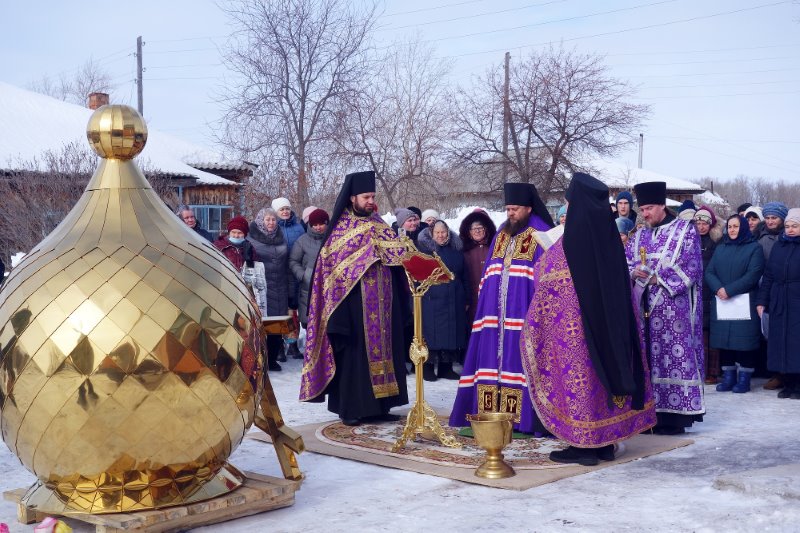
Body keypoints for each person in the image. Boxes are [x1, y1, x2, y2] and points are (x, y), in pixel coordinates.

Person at [521, 172, 655, 466]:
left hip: (579, 331)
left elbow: (546, 277)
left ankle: (583, 447)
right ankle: (604, 443)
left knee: (581, 380)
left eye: (569, 203)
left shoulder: (569, 243)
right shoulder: (610, 238)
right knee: (603, 379)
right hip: (612, 328)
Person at [300, 171, 409, 426]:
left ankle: (381, 406)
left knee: (387, 353)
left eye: (372, 197)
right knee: (354, 357)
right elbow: (330, 272)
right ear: (352, 198)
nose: (370, 201)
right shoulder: (341, 230)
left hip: (385, 305)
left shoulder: (380, 224)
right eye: (365, 197)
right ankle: (350, 408)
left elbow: (397, 257)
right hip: (352, 307)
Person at [449, 182, 555, 434]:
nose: (510, 213)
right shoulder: (502, 233)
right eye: (508, 209)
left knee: (520, 362)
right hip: (494, 315)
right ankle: (489, 412)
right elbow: (489, 273)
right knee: (491, 361)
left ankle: (522, 419)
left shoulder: (542, 234)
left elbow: (548, 279)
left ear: (529, 208)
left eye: (515, 209)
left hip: (524, 313)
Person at [626, 181, 705, 435]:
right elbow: (626, 261)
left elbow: (691, 266)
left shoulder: (685, 231)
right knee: (646, 359)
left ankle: (672, 418)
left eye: (649, 208)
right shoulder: (639, 235)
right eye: (642, 209)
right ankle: (646, 415)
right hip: (643, 310)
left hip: (674, 313)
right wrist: (633, 272)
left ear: (662, 205)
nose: (645, 214)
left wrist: (656, 279)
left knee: (673, 358)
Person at [705, 215, 765, 393]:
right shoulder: (721, 248)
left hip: (744, 301)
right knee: (724, 340)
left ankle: (744, 378)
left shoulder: (754, 248)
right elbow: (709, 272)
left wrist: (729, 290)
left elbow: (753, 274)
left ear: (743, 227)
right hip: (723, 301)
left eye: (736, 226)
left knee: (744, 341)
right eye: (729, 226)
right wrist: (718, 289)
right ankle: (728, 377)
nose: (732, 230)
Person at [416, 220, 468, 382]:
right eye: (437, 232)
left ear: (448, 232)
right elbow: (416, 277)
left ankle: (446, 367)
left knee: (450, 333)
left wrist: (466, 297)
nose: (440, 235)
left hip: (454, 297)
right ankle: (427, 367)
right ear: (431, 234)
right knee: (430, 334)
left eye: (443, 232)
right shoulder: (424, 251)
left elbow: (464, 275)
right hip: (431, 298)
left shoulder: (456, 250)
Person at [757, 208, 800, 398]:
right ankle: (788, 383)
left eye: (795, 226)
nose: (790, 229)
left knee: (796, 343)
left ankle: (798, 385)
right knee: (780, 342)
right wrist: (762, 301)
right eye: (788, 226)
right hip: (779, 299)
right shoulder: (779, 246)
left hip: (797, 300)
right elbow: (768, 275)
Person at [248, 207, 293, 372]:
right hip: (261, 288)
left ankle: (272, 360)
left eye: (273, 219)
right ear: (261, 220)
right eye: (267, 219)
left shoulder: (281, 237)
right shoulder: (251, 239)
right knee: (258, 326)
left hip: (280, 286)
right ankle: (257, 360)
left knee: (276, 326)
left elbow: (287, 263)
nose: (271, 222)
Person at [757, 201, 789, 390]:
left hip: (787, 291)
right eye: (767, 218)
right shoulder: (760, 238)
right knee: (771, 334)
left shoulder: (788, 237)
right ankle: (776, 374)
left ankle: (790, 375)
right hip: (767, 288)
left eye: (774, 218)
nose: (770, 221)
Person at [272, 197, 305, 360]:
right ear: (275, 212)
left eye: (287, 208)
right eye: (281, 209)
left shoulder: (298, 228)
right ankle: (278, 346)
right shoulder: (272, 227)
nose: (285, 211)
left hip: (294, 273)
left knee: (292, 310)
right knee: (278, 310)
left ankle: (292, 344)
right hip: (277, 273)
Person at [694, 206, 723, 384]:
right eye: (698, 223)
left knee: (711, 334)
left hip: (711, 291)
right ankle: (698, 369)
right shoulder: (689, 241)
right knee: (698, 334)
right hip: (695, 290)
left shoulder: (716, 243)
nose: (701, 227)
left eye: (705, 223)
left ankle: (712, 371)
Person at [289, 208, 329, 336]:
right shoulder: (302, 241)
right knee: (311, 326)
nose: (318, 227)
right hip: (308, 288)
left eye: (321, 224)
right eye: (314, 225)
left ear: (327, 223)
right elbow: (293, 261)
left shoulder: (333, 238)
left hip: (330, 286)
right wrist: (304, 275)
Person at [459, 209, 497, 327]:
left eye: (480, 228)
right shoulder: (463, 251)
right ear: (469, 232)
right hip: (472, 299)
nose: (477, 231)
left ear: (486, 229)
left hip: (492, 296)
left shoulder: (496, 248)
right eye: (474, 229)